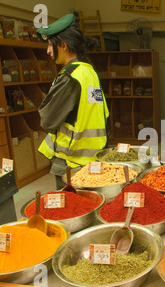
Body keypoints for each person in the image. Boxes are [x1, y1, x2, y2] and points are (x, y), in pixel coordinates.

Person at [37, 14, 109, 189]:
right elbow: (104, 113)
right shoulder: (90, 72)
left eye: (49, 44)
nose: (48, 51)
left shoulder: (71, 76)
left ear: (63, 45)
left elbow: (47, 120)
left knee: (70, 212)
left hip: (71, 162)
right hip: (92, 158)